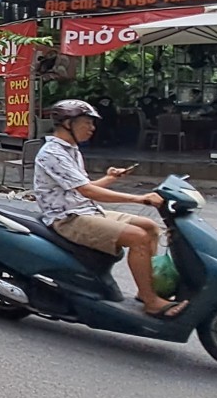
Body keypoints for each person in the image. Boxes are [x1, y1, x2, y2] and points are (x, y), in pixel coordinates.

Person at [32, 99, 185, 317]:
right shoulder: (52, 153)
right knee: (138, 237)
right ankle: (151, 302)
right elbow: (88, 191)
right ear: (67, 123)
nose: (92, 128)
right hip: (67, 218)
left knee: (150, 227)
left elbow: (82, 187)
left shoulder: (71, 150)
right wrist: (140, 199)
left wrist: (110, 178)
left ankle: (146, 291)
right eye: (87, 123)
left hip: (86, 210)